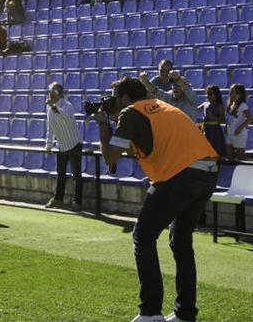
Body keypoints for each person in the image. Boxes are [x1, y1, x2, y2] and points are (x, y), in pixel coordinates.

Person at [97, 77, 218, 322]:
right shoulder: (160, 107)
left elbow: (110, 158)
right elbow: (139, 147)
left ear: (124, 98)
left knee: (143, 235)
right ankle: (185, 313)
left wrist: (101, 125)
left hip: (181, 174)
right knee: (181, 241)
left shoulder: (131, 112)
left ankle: (151, 312)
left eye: (114, 98)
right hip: (208, 171)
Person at [44, 83, 83, 211]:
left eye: (54, 92)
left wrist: (53, 107)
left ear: (61, 94)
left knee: (76, 175)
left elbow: (65, 117)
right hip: (61, 145)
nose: (51, 94)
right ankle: (58, 199)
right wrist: (48, 145)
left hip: (74, 144)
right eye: (50, 92)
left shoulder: (67, 106)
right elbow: (50, 127)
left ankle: (77, 202)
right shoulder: (49, 108)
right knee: (60, 173)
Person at [199, 85, 226, 158]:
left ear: (216, 94)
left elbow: (223, 119)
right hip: (205, 128)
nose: (207, 95)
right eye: (206, 93)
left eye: (210, 93)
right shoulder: (205, 104)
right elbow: (195, 110)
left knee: (216, 146)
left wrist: (213, 118)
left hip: (215, 129)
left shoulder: (219, 105)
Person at [225, 84, 252, 159]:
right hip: (229, 134)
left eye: (236, 93)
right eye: (231, 92)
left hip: (239, 134)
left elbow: (249, 118)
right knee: (229, 156)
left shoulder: (243, 105)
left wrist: (240, 128)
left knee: (241, 157)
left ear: (241, 94)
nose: (233, 95)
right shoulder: (230, 105)